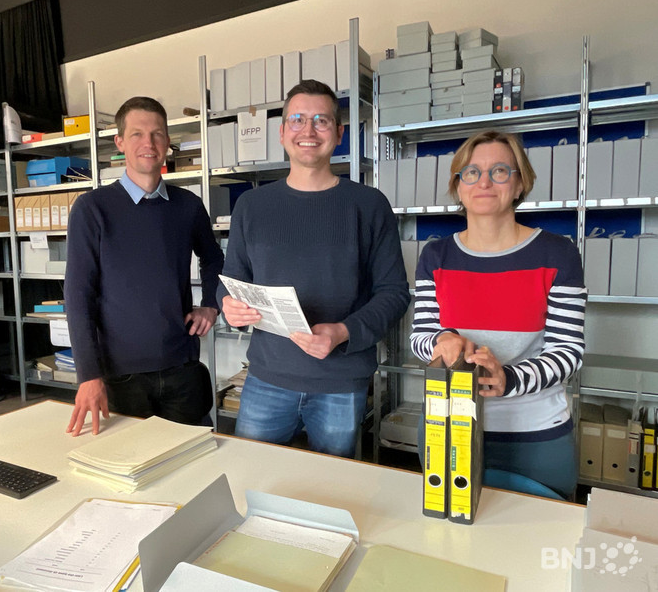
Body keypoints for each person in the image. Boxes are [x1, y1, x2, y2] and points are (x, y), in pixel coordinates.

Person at [219, 80, 410, 458]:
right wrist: (229, 306)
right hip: (265, 378)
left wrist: (343, 331)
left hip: (340, 382)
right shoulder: (252, 206)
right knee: (254, 478)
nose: (308, 131)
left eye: (321, 121)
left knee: (332, 492)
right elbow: (232, 281)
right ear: (282, 132)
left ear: (339, 134)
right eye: (298, 120)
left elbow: (394, 293)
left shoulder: (369, 205)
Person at [410, 130, 587, 499]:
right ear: (458, 187)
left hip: (534, 436)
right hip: (449, 425)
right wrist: (443, 340)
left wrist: (508, 377)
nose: (484, 182)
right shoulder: (435, 257)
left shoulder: (558, 254)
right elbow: (421, 336)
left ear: (520, 182)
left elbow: (568, 351)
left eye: (500, 171)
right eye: (471, 172)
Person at [64, 96, 224, 436]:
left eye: (157, 134)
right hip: (121, 376)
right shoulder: (92, 209)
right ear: (119, 142)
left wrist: (211, 305)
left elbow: (213, 258)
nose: (148, 143)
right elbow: (78, 297)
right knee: (130, 471)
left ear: (167, 142)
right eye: (137, 134)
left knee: (192, 462)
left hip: (181, 368)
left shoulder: (188, 206)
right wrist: (88, 376)